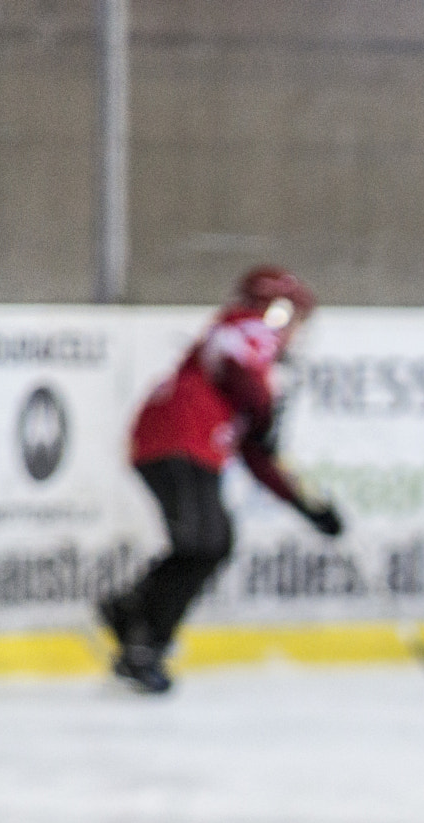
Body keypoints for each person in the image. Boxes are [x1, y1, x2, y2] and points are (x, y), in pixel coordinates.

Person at [97, 266, 343, 693]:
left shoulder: (255, 361)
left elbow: (257, 454)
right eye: (295, 321)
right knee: (205, 541)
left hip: (181, 446)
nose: (296, 334)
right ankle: (140, 636)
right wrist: (265, 412)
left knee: (207, 543)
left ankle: (131, 615)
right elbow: (237, 371)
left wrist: (308, 508)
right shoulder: (246, 328)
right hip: (177, 443)